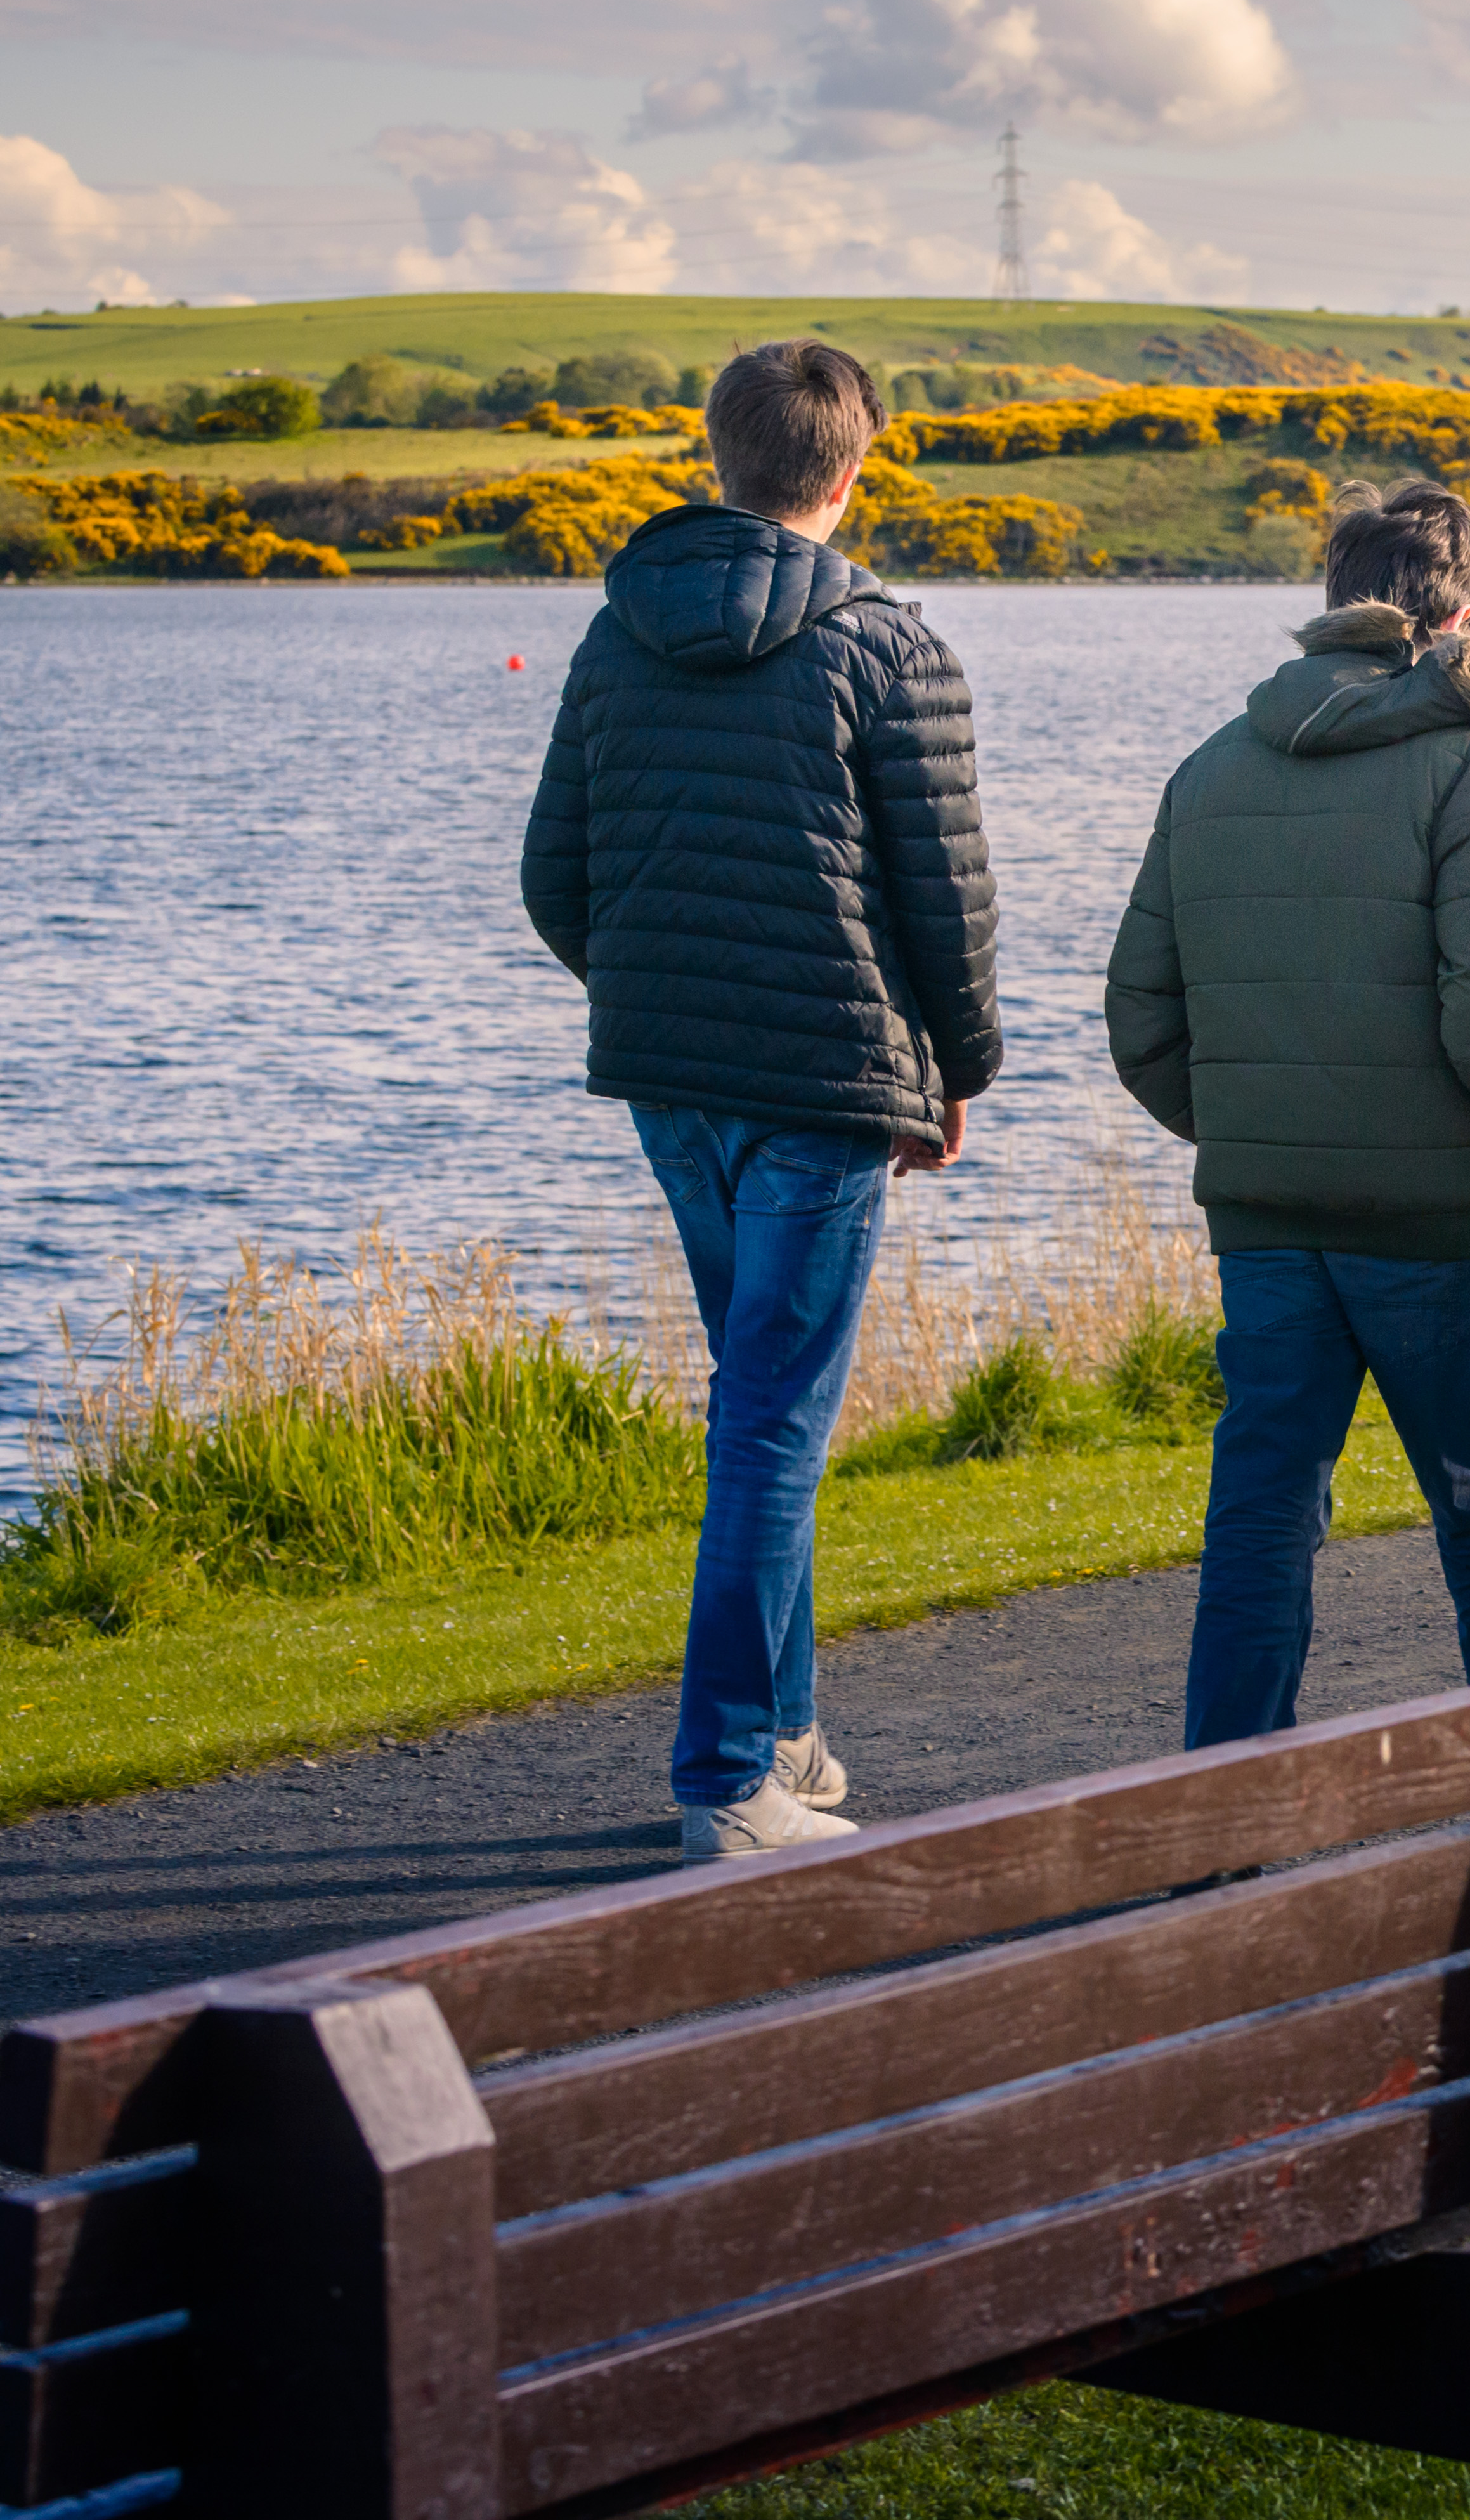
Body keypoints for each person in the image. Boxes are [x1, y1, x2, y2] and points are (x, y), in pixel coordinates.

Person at [519, 339, 1001, 1862]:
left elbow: (553, 879)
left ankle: (783, 1730)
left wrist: (649, 985)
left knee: (758, 1407)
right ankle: (726, 1783)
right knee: (773, 1428)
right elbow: (947, 900)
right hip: (824, 1083)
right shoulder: (889, 647)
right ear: (854, 466)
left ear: (714, 456)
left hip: (674, 1075)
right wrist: (959, 1066)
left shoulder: (616, 636)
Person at [1105, 478, 1470, 1743]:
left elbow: (1140, 1021)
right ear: (1462, 618)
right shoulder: (1468, 771)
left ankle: (1220, 1826)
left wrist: (1255, 1129)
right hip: (1435, 1220)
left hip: (1267, 1221)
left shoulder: (1209, 768)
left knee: (1262, 1518)